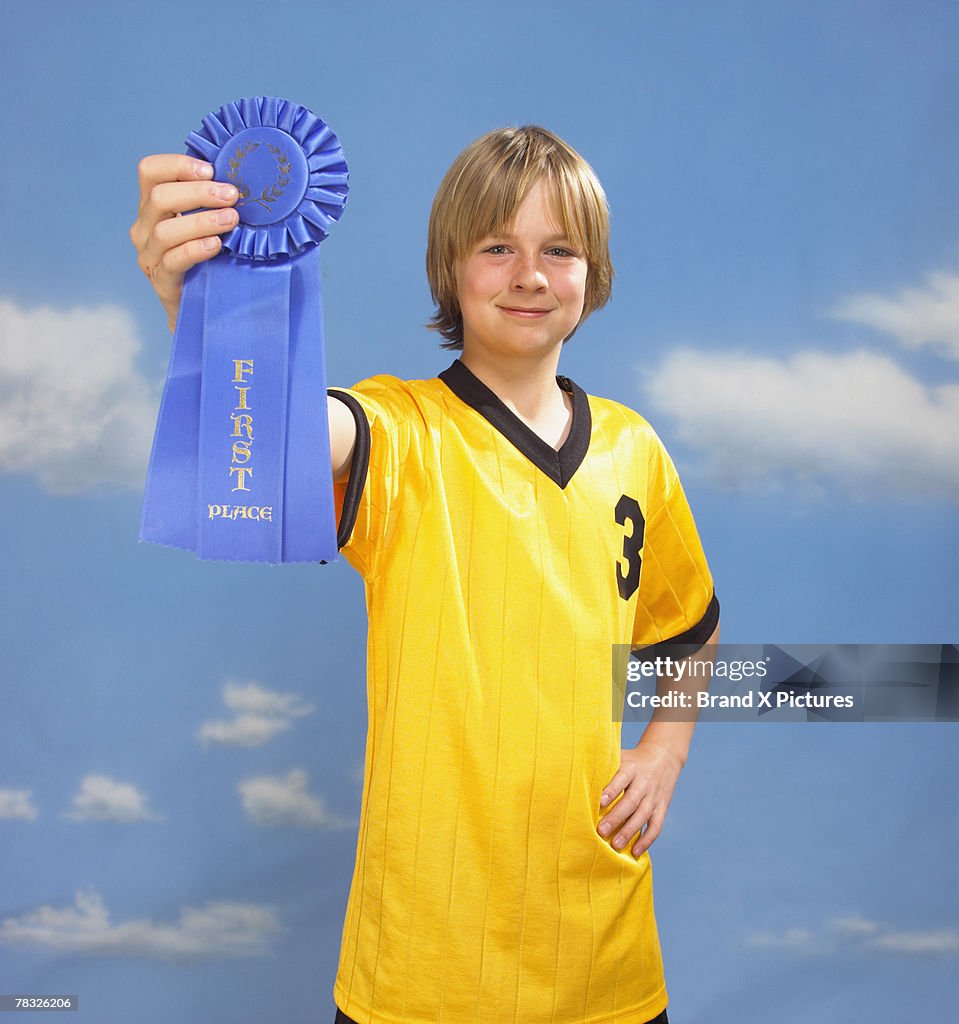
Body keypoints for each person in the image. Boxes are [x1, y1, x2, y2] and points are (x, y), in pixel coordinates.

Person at [131, 124, 719, 1024]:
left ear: (593, 273)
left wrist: (666, 750)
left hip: (603, 958)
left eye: (558, 249)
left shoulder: (636, 450)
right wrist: (200, 308)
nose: (529, 274)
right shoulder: (400, 433)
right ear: (450, 269)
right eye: (497, 247)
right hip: (420, 969)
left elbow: (692, 628)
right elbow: (279, 428)